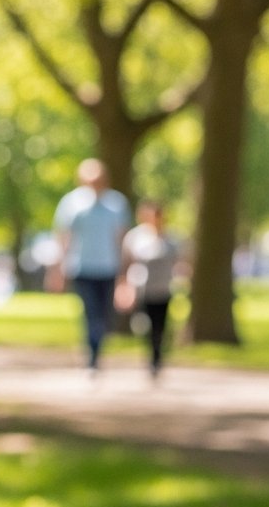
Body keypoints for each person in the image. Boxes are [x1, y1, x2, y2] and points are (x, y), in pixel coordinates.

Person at [54, 159, 132, 369]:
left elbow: (122, 239)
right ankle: (92, 356)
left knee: (105, 315)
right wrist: (58, 269)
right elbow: (63, 237)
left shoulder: (117, 204)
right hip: (82, 267)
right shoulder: (71, 203)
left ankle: (96, 350)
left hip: (108, 267)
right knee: (90, 313)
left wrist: (125, 274)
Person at [117, 200, 182, 376]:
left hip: (163, 289)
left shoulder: (172, 238)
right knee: (143, 324)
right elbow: (126, 264)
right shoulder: (135, 237)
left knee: (160, 326)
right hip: (141, 289)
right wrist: (124, 286)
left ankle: (156, 359)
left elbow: (180, 262)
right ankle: (150, 354)